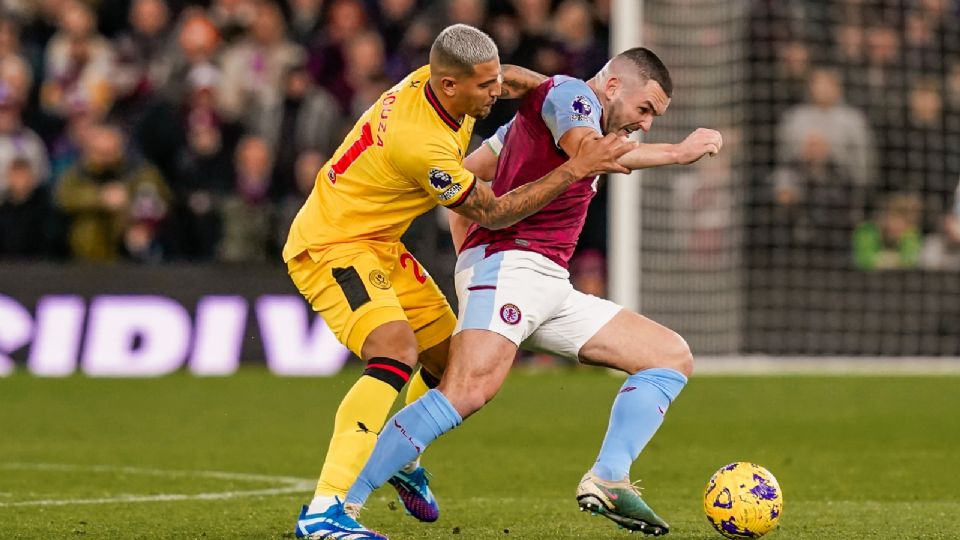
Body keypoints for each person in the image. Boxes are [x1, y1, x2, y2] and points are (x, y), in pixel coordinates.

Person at [340, 47, 723, 539]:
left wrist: (470, 256)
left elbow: (464, 180)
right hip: (514, 269)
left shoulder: (535, 117)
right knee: (467, 392)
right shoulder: (576, 98)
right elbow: (590, 153)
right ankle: (343, 506)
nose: (645, 125)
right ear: (611, 88)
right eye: (644, 110)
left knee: (669, 356)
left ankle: (608, 477)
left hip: (548, 285)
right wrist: (677, 152)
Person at [286, 24, 637, 539]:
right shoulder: (421, 144)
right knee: (393, 352)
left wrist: (570, 101)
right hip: (332, 246)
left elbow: (519, 81)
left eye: (496, 80)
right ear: (449, 86)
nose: (496, 93)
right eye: (485, 86)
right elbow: (492, 213)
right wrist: (576, 166)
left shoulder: (440, 82)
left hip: (380, 243)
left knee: (451, 364)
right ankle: (324, 511)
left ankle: (404, 459)